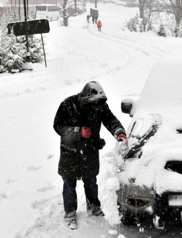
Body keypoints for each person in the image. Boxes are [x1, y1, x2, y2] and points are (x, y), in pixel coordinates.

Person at [53, 81, 127, 228]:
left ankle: (94, 207)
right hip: (70, 152)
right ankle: (70, 213)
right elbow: (58, 126)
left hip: (90, 151)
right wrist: (77, 132)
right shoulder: (68, 105)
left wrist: (119, 132)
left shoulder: (100, 107)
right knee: (69, 184)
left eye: (99, 102)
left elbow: (110, 120)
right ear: (86, 97)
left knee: (91, 181)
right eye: (94, 102)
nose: (97, 105)